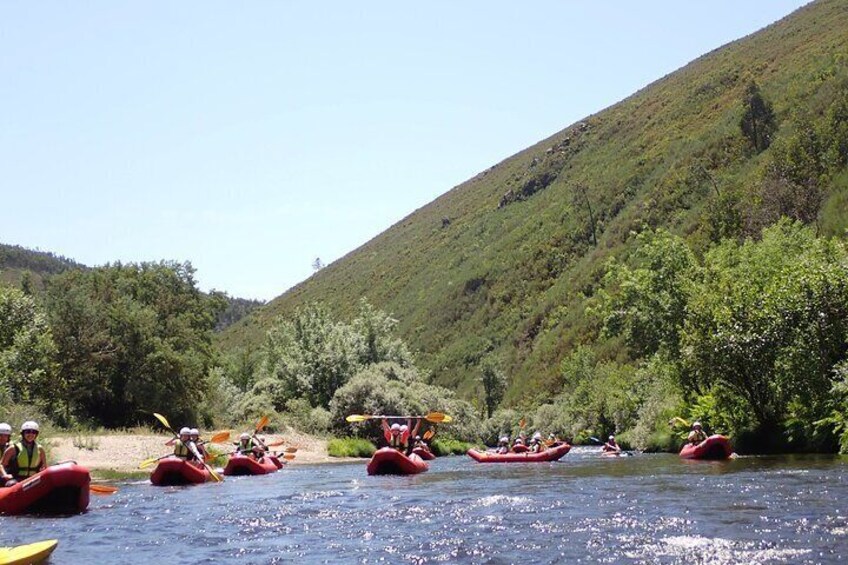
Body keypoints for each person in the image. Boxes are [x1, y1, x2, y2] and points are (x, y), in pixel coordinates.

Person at [0, 423, 15, 487]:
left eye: (5, 436)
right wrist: (4, 475)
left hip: (6, 473)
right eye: (0, 435)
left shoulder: (11, 447)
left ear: (8, 437)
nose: (2, 438)